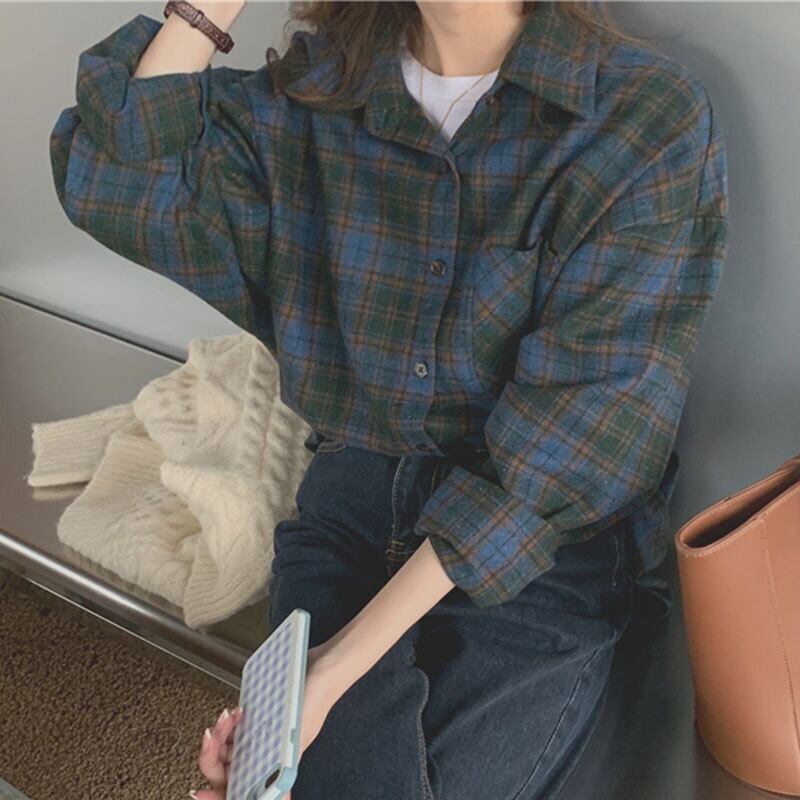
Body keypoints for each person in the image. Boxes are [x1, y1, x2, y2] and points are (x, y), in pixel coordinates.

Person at [48, 1, 730, 798]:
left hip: (538, 543)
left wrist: (332, 670)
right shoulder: (316, 97)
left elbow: (572, 448)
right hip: (352, 500)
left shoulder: (642, 118)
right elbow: (114, 175)